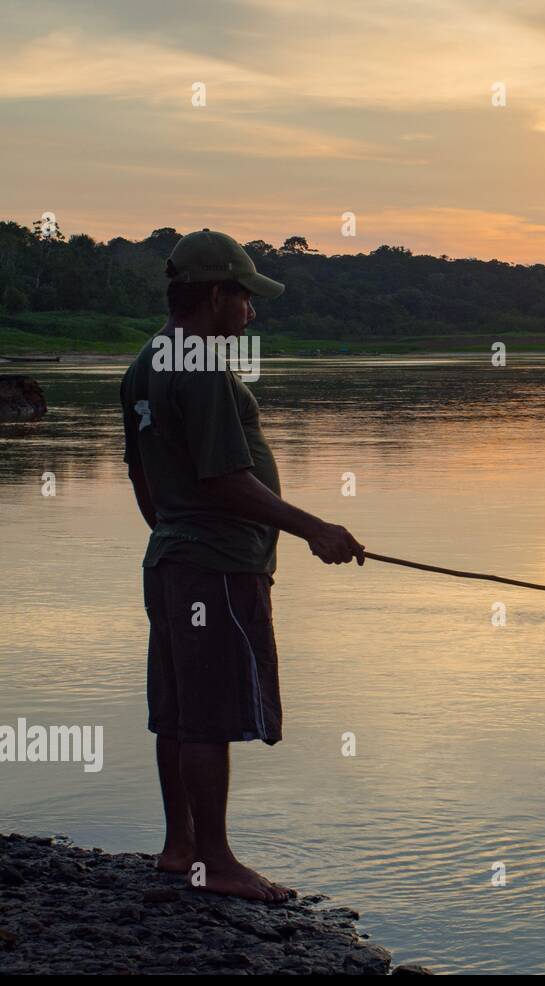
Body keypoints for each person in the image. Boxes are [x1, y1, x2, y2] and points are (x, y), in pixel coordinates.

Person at [119, 229, 365, 902]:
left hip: (172, 557)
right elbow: (226, 476)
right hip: (215, 566)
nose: (251, 313)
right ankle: (217, 860)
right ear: (217, 295)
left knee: (175, 708)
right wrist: (314, 527)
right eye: (245, 298)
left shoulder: (146, 360)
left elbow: (143, 478)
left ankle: (180, 845)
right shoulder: (197, 361)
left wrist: (177, 533)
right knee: (206, 711)